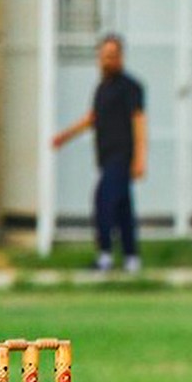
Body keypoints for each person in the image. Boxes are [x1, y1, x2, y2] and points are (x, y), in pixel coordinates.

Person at [51, 33, 147, 273]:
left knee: (102, 201)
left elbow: (139, 122)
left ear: (120, 57)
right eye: (104, 56)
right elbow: (92, 119)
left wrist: (140, 158)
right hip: (105, 158)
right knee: (123, 209)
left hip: (121, 156)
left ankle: (105, 255)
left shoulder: (131, 87)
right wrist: (65, 136)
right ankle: (131, 258)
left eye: (112, 56)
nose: (107, 60)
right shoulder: (102, 88)